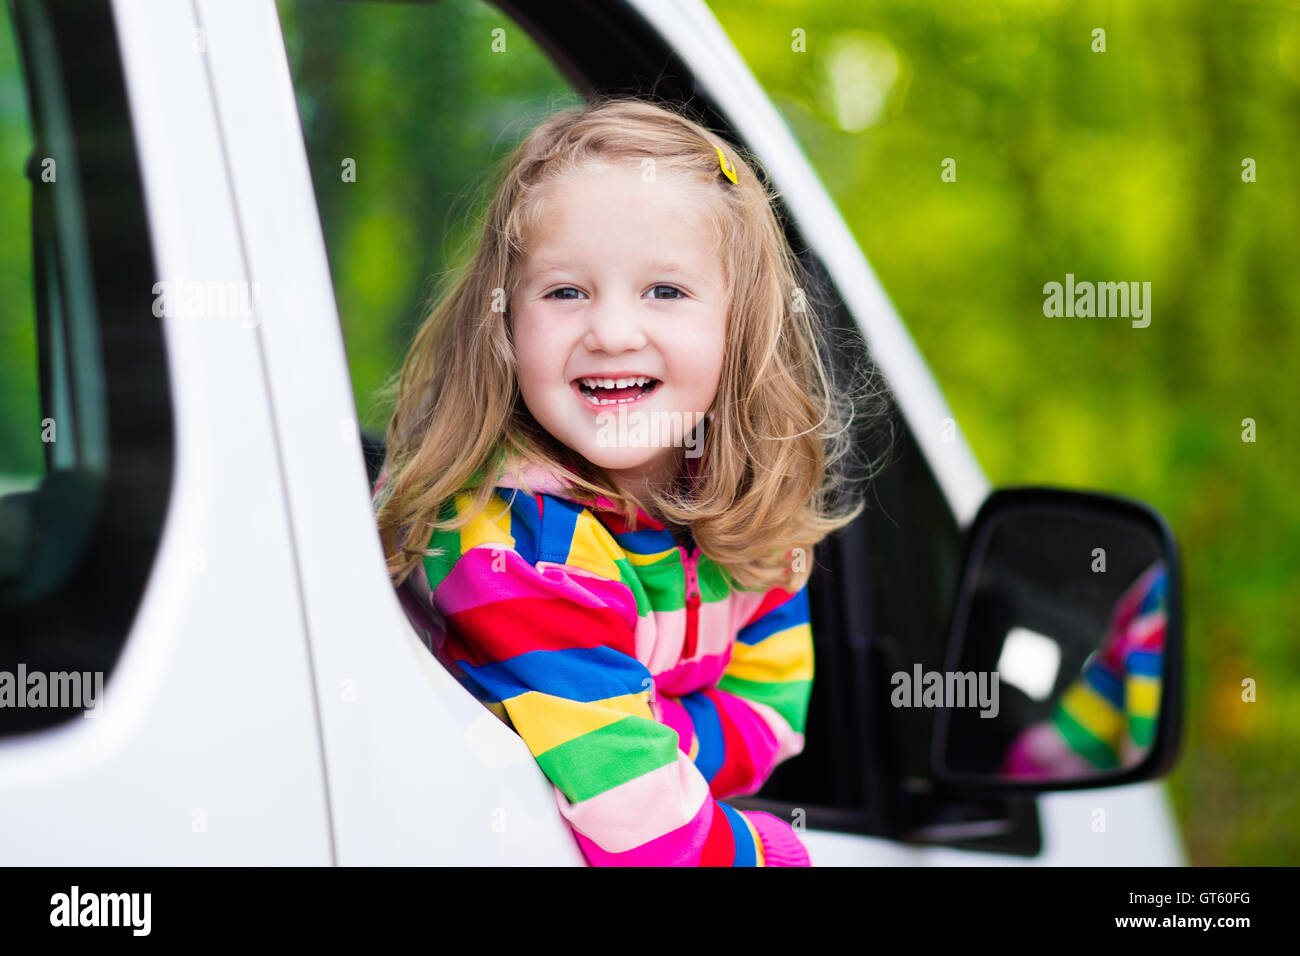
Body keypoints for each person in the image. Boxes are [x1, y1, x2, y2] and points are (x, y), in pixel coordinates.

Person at [371, 96, 875, 865]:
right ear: (504, 322)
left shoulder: (749, 522)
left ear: (738, 327)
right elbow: (650, 834)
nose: (610, 332)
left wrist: (642, 731)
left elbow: (773, 715)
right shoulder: (508, 542)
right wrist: (780, 852)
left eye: (665, 292)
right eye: (565, 292)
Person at [999, 559, 1169, 779]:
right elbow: (1144, 652)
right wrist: (1141, 744)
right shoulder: (1165, 586)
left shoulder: (1159, 581)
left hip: (1080, 738)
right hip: (1077, 742)